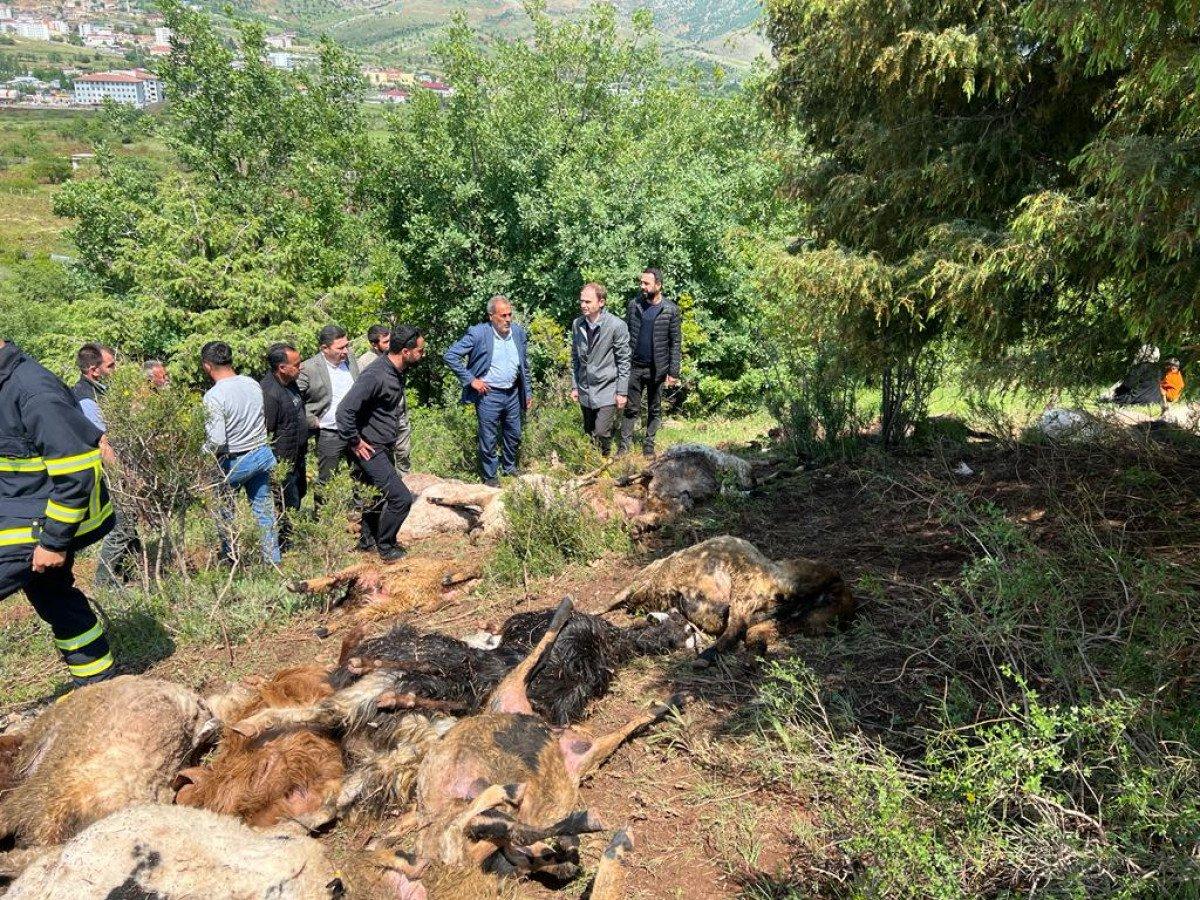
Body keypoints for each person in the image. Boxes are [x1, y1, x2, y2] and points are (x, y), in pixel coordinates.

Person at [0, 338, 117, 686]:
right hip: (19, 511)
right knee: (54, 595)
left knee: (52, 591)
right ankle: (99, 686)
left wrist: (53, 542)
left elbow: (78, 473)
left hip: (41, 522)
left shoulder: (32, 389)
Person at [337, 325, 426, 561]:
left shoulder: (394, 371)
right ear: (406, 351)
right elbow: (344, 411)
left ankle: (367, 543)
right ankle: (386, 547)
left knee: (374, 497)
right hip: (368, 448)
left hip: (381, 445)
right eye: (420, 350)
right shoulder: (376, 374)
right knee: (400, 498)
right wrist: (355, 441)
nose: (423, 354)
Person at [200, 341, 280, 566]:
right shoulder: (251, 383)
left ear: (207, 366)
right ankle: (272, 559)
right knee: (264, 510)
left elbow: (216, 439)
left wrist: (200, 453)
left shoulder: (214, 396)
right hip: (261, 453)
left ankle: (231, 557)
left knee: (225, 511)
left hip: (233, 461)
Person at [443, 296, 533, 486]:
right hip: (489, 394)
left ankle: (509, 468)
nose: (508, 319)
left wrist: (528, 392)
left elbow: (524, 365)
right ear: (491, 316)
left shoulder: (518, 332)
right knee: (488, 438)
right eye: (503, 315)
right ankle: (490, 477)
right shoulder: (478, 334)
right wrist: (471, 380)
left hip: (512, 393)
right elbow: (450, 356)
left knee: (514, 433)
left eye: (510, 314)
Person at [73, 343, 139, 591]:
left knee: (129, 521)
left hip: (114, 469)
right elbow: (102, 443)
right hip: (107, 472)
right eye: (111, 365)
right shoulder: (86, 398)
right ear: (94, 370)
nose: (116, 369)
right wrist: (124, 475)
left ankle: (134, 573)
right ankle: (105, 584)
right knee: (121, 524)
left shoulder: (99, 390)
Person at [620, 268, 681, 457]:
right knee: (631, 408)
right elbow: (625, 335)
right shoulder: (634, 305)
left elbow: (675, 342)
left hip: (657, 369)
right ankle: (624, 447)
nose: (642, 286)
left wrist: (673, 372)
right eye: (641, 282)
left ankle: (649, 445)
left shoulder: (671, 310)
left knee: (654, 409)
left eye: (646, 283)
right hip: (634, 366)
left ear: (658, 285)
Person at [570, 282, 630, 456]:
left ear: (601, 302)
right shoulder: (577, 324)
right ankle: (594, 464)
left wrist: (622, 391)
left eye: (588, 302)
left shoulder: (616, 326)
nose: (583, 305)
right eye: (582, 301)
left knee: (601, 431)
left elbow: (624, 360)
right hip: (585, 388)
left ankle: (603, 458)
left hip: (607, 387)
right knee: (589, 431)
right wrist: (575, 386)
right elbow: (575, 357)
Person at [297, 325, 360, 489]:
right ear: (324, 348)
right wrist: (312, 420)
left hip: (356, 430)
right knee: (327, 480)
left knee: (361, 475)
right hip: (330, 432)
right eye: (340, 347)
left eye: (347, 345)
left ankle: (359, 512)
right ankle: (323, 514)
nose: (345, 351)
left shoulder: (350, 360)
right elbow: (294, 401)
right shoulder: (308, 368)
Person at [260, 343, 307, 545]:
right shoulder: (270, 393)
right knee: (287, 501)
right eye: (296, 364)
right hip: (282, 461)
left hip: (297, 454)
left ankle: (290, 536)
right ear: (282, 367)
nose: (301, 367)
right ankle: (285, 544)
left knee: (299, 494)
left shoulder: (291, 382)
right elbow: (266, 431)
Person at [357, 323, 412, 476]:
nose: (389, 344)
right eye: (385, 342)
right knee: (385, 460)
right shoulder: (364, 362)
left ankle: (406, 488)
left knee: (403, 454)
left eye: (390, 340)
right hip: (379, 421)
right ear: (374, 344)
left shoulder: (395, 356)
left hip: (399, 415)